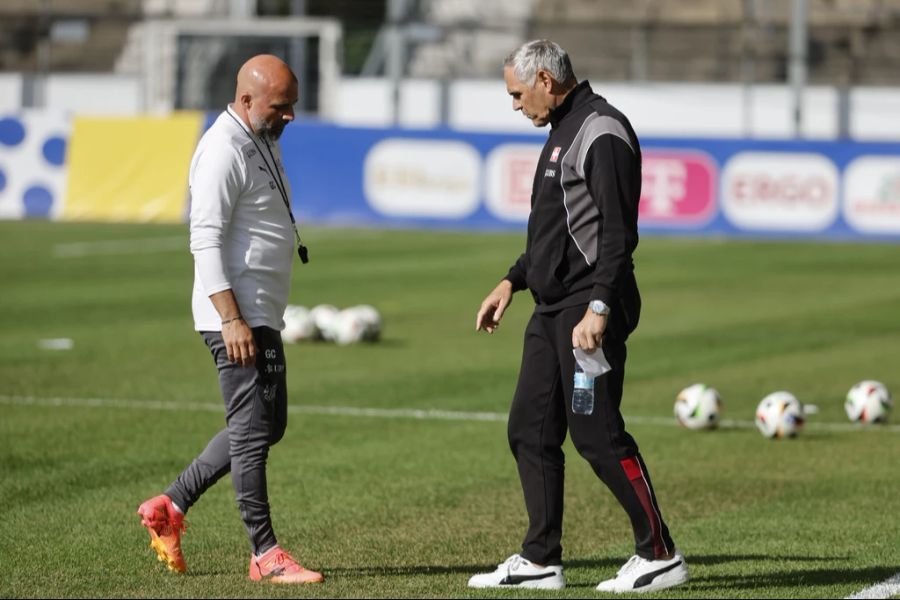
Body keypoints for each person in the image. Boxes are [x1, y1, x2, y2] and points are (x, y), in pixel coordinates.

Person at [469, 40, 689, 594]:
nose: (515, 105)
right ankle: (540, 559)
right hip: (552, 310)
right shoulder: (563, 130)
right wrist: (511, 280)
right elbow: (555, 234)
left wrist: (598, 306)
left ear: (545, 79)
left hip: (586, 310)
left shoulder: (601, 131)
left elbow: (618, 236)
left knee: (596, 434)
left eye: (517, 94)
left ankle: (659, 552)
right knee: (529, 430)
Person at [136, 54, 322, 585]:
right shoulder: (221, 149)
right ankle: (265, 554)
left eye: (292, 106)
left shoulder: (259, 137)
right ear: (246, 100)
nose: (289, 116)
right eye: (280, 107)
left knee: (267, 425)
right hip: (235, 316)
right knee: (249, 431)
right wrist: (231, 318)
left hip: (260, 311)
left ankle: (172, 504)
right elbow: (204, 238)